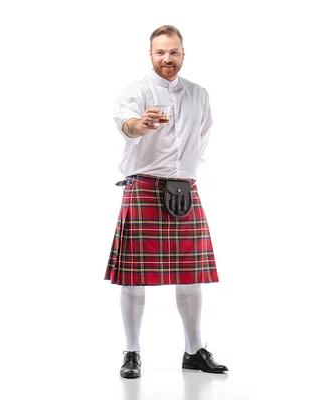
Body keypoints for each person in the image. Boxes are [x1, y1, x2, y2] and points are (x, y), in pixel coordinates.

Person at [104, 25, 228, 379]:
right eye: (160, 52)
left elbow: (203, 135)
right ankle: (132, 352)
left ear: (183, 53)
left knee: (191, 278)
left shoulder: (199, 94)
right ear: (151, 54)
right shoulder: (136, 90)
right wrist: (140, 126)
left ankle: (194, 351)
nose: (167, 59)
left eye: (173, 52)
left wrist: (183, 171)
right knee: (133, 278)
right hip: (144, 185)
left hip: (185, 188)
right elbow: (126, 124)